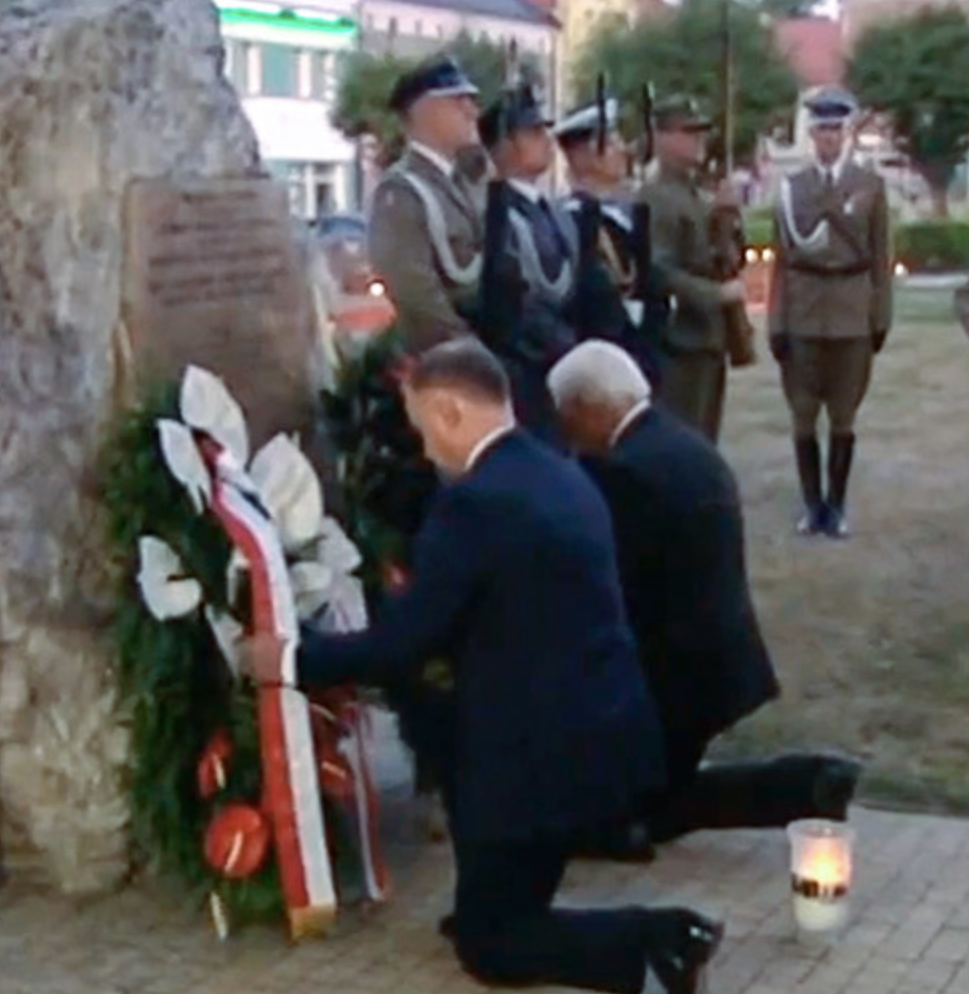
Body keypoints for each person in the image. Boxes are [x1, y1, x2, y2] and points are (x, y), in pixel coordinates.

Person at [246, 340, 722, 994]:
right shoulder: (559, 469)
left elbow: (401, 646)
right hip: (599, 733)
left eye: (420, 430)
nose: (423, 448)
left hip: (538, 760)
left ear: (447, 412)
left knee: (493, 949)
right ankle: (501, 911)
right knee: (490, 900)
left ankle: (660, 940)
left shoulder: (475, 503)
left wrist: (292, 656)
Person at [549, 341, 862, 854]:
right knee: (647, 801)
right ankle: (812, 784)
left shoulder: (626, 472)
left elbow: (617, 589)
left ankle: (805, 784)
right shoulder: (684, 444)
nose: (568, 436)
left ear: (590, 407)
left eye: (567, 418)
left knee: (635, 816)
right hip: (720, 661)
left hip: (678, 679)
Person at [768, 86, 892, 537]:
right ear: (811, 135)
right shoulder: (792, 188)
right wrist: (776, 321)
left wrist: (880, 317)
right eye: (821, 130)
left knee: (843, 414)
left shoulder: (869, 185)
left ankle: (836, 506)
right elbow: (781, 260)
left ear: (846, 134)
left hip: (851, 312)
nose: (828, 139)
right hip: (803, 310)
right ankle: (811, 505)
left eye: (836, 130)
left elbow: (881, 256)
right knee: (803, 412)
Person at [477, 83, 584, 444]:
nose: (547, 141)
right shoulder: (495, 213)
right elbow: (508, 302)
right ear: (505, 145)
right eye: (534, 132)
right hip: (527, 369)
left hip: (562, 356)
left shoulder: (550, 210)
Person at [639, 97, 745, 443]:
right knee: (685, 439)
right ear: (662, 138)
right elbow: (658, 270)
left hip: (706, 338)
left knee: (705, 436)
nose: (700, 140)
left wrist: (729, 219)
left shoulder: (695, 193)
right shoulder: (656, 197)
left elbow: (723, 257)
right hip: (679, 340)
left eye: (701, 132)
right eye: (689, 132)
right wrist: (715, 295)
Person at [367, 56, 485, 352]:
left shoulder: (463, 182)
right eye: (459, 101)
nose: (472, 111)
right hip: (446, 361)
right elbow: (414, 292)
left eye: (471, 100)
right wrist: (469, 348)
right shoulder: (402, 190)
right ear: (425, 109)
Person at [554, 96, 665, 385]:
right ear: (581, 156)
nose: (624, 151)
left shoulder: (626, 215)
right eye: (611, 143)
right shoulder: (573, 220)